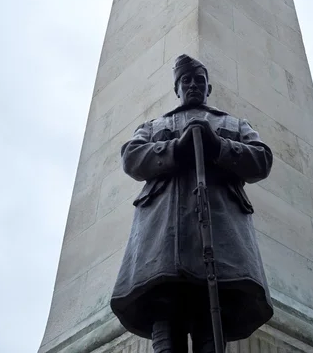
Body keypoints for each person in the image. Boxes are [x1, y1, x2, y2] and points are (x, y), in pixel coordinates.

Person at [110, 54, 274, 353]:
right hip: (163, 239)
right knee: (166, 321)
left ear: (208, 87)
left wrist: (220, 146)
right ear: (177, 88)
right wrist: (175, 148)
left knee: (212, 327)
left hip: (219, 236)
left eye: (200, 81)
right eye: (187, 81)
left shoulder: (234, 124)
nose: (194, 85)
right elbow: (132, 158)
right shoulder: (153, 125)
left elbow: (261, 159)